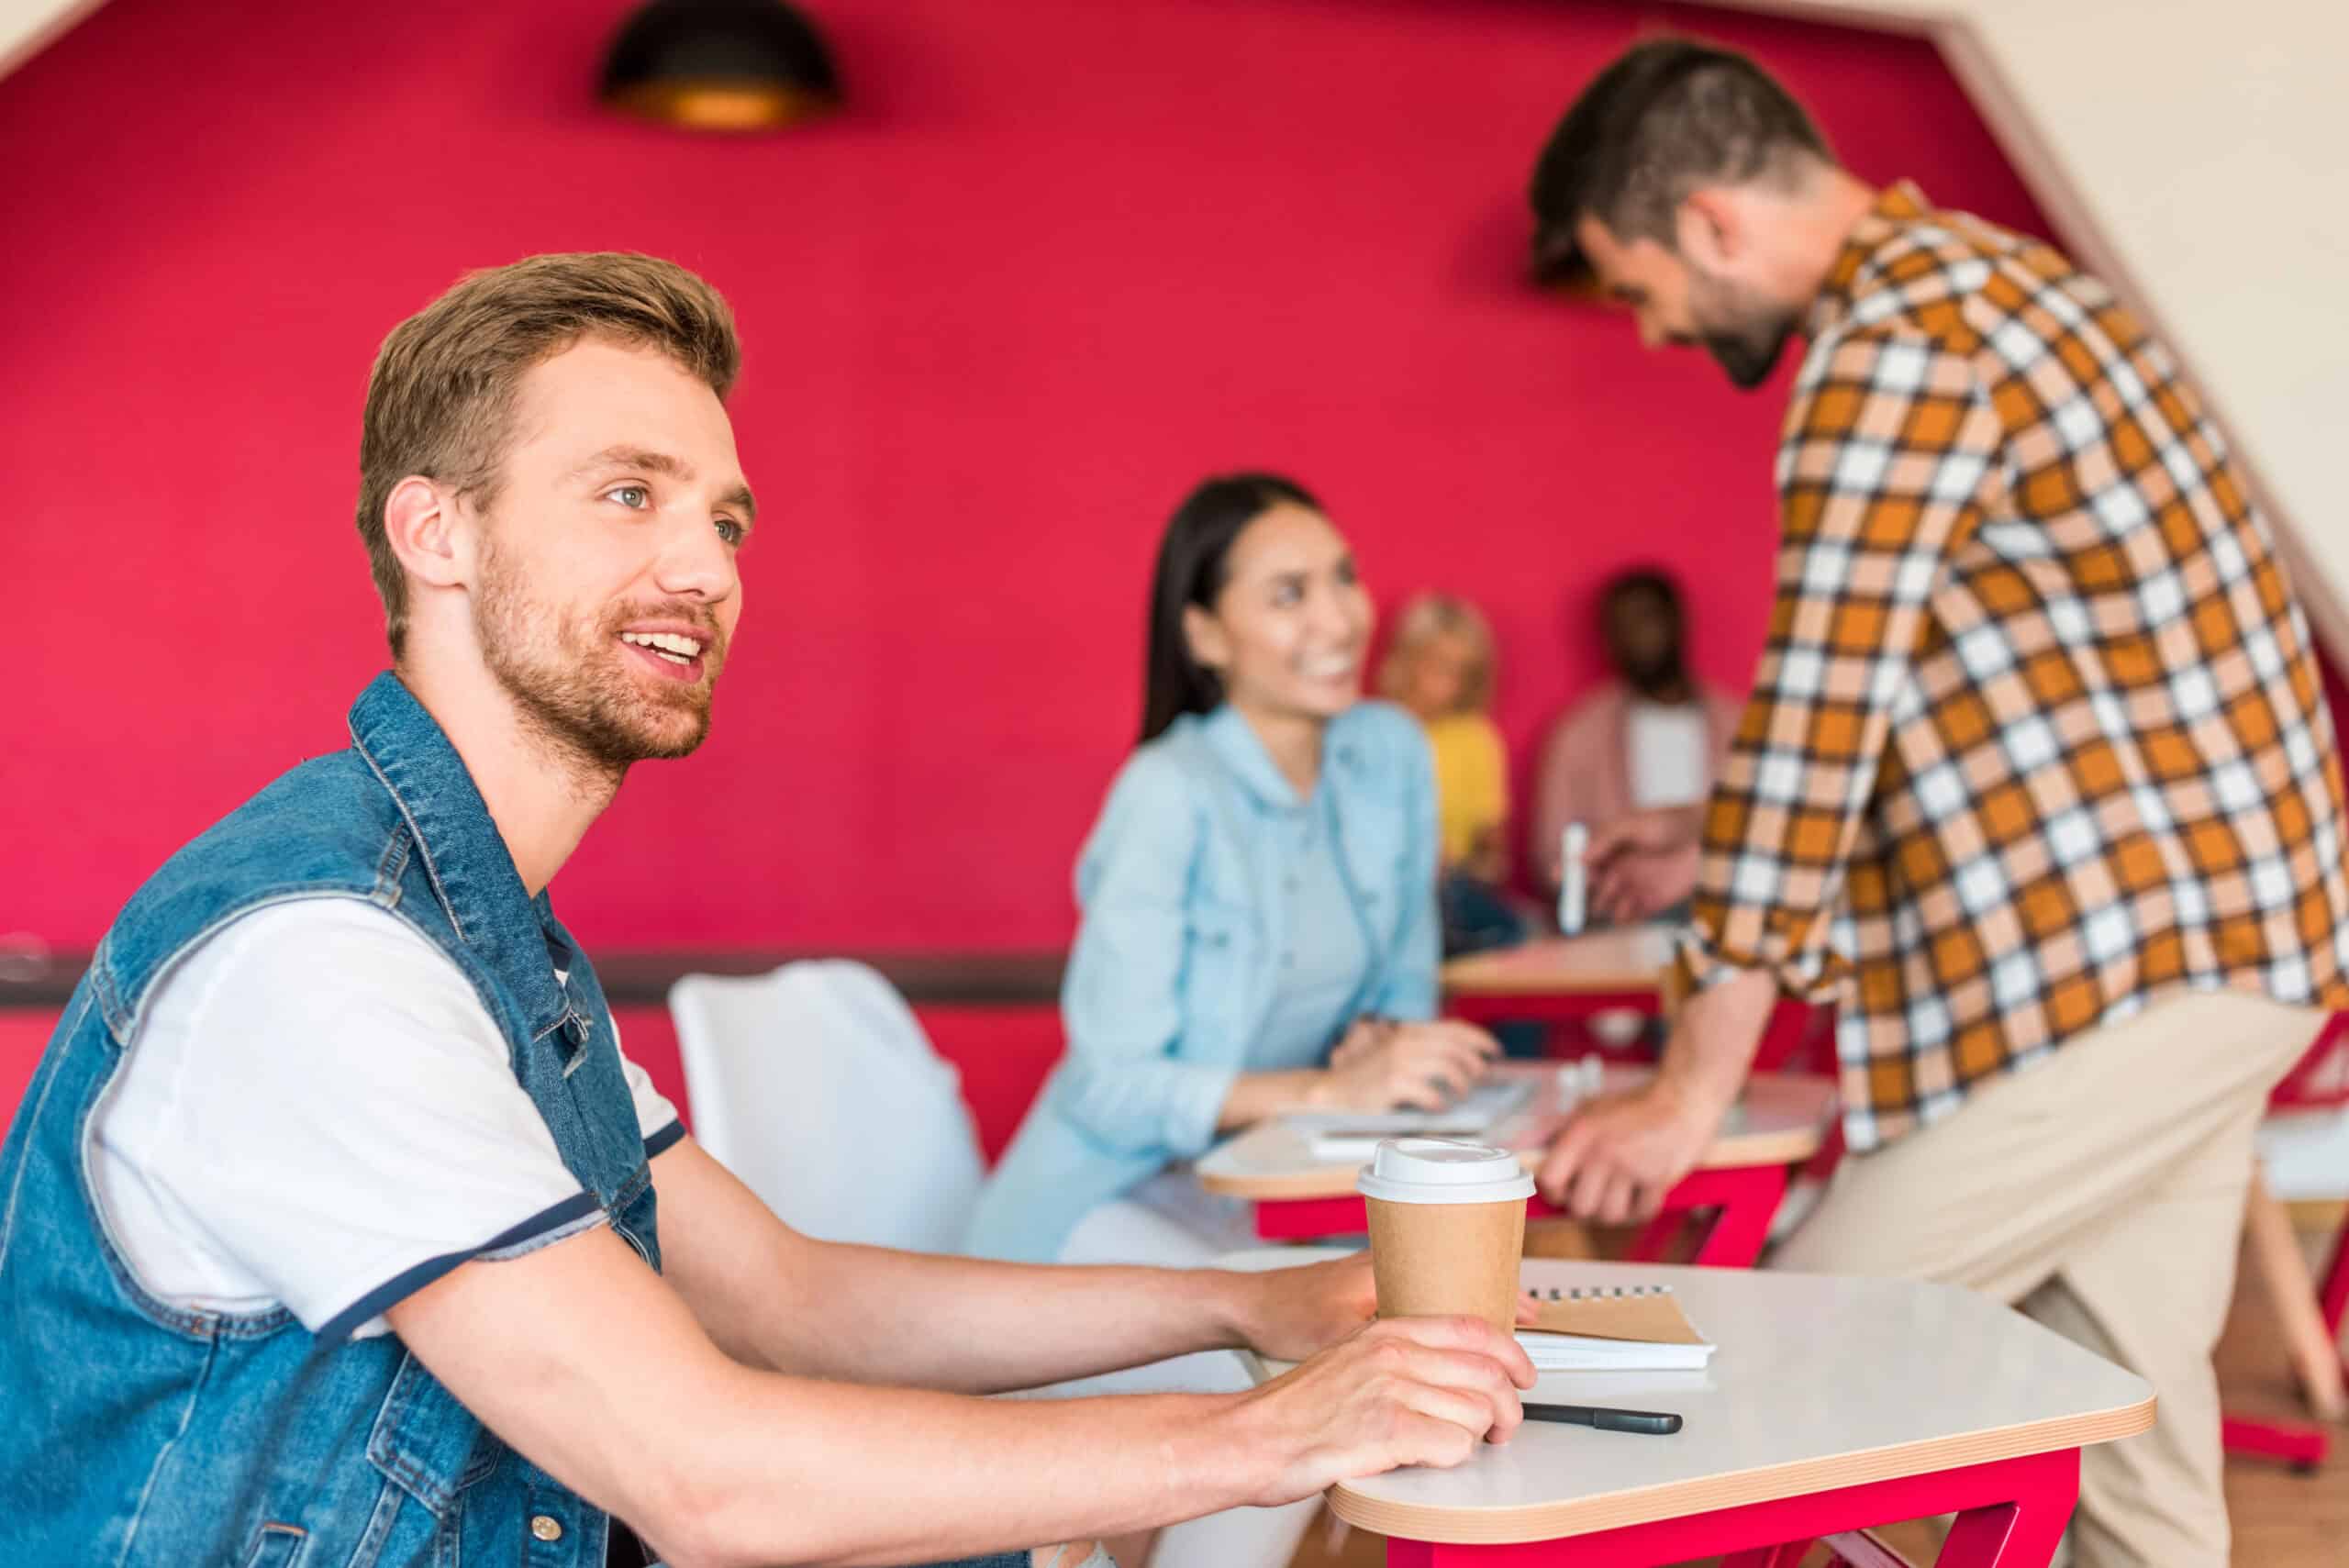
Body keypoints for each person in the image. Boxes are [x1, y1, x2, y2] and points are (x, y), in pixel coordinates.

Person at [0, 257, 1537, 1568]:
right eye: (628, 494)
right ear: (437, 533)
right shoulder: (322, 956)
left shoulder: (493, 942)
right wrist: (1265, 1428)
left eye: (726, 520)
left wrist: (1251, 1303)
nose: (706, 566)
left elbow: (797, 1293)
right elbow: (704, 1467)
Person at [1520, 39, 2349, 1568]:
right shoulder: (2001, 289)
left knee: (1788, 1355)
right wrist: (1709, 834)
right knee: (2133, 1451)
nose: (1656, 330)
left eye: (1643, 289)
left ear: (1707, 221)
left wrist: (1688, 1085)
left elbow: (1819, 720)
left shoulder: (1897, 340)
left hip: (2142, 979)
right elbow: (1991, 711)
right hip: (2211, 952)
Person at [966, 475, 1501, 1269]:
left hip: (1279, 1193)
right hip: (1107, 1211)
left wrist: (1385, 1044)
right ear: (1206, 635)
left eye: (1344, 578)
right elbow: (1112, 1087)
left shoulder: (1390, 751)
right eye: (1289, 594)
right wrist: (1329, 1091)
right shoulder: (1169, 793)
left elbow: (1403, 991)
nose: (1340, 619)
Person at [1531, 568, 1740, 897]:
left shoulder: (1740, 726)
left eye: (1645, 618)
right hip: (1622, 922)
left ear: (1678, 619)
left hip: (1727, 911)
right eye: (1619, 628)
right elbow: (1553, 852)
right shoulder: (1579, 734)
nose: (1634, 637)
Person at [1380, 592, 1528, 954]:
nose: (1449, 684)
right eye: (1439, 666)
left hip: (1455, 888)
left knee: (1513, 933)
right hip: (1390, 886)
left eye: (1462, 671)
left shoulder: (1476, 738)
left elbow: (1492, 850)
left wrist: (1482, 860)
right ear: (1408, 661)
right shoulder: (1374, 730)